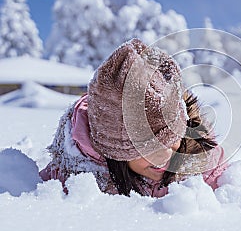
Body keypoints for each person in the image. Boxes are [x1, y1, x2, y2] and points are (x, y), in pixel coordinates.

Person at [39, 38, 227, 197]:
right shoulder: (76, 173)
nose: (165, 156)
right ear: (114, 148)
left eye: (171, 139)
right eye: (148, 148)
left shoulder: (201, 162)